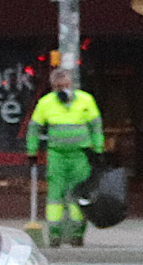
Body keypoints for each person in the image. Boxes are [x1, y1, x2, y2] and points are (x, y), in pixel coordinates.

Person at [25, 63, 104, 247]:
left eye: (65, 86)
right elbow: (34, 128)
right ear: (53, 88)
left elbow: (96, 126)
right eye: (59, 87)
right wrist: (32, 151)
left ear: (72, 84)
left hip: (80, 155)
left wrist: (98, 150)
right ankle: (54, 234)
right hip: (57, 155)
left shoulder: (85, 100)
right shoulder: (46, 103)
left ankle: (77, 233)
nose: (63, 90)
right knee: (55, 195)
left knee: (79, 194)